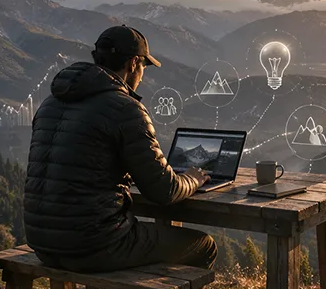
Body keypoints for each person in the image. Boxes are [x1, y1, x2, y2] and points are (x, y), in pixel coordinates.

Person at [24, 25, 217, 273]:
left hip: (43, 244)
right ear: (133, 63)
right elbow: (164, 191)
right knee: (204, 245)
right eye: (144, 67)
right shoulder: (125, 109)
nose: (142, 75)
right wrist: (192, 178)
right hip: (95, 246)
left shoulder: (51, 103)